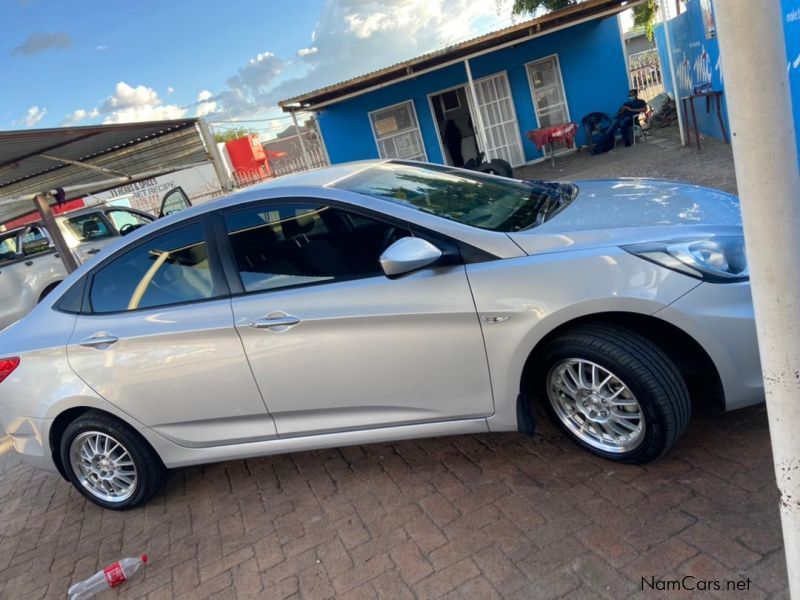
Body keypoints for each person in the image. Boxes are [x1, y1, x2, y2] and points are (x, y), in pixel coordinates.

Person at [592, 89, 648, 154]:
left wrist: (631, 109)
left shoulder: (640, 102)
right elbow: (619, 113)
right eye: (629, 95)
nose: (630, 96)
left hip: (631, 118)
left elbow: (644, 109)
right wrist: (623, 109)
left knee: (615, 126)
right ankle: (601, 147)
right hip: (621, 117)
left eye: (632, 95)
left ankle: (598, 148)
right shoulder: (626, 103)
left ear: (636, 95)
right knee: (613, 126)